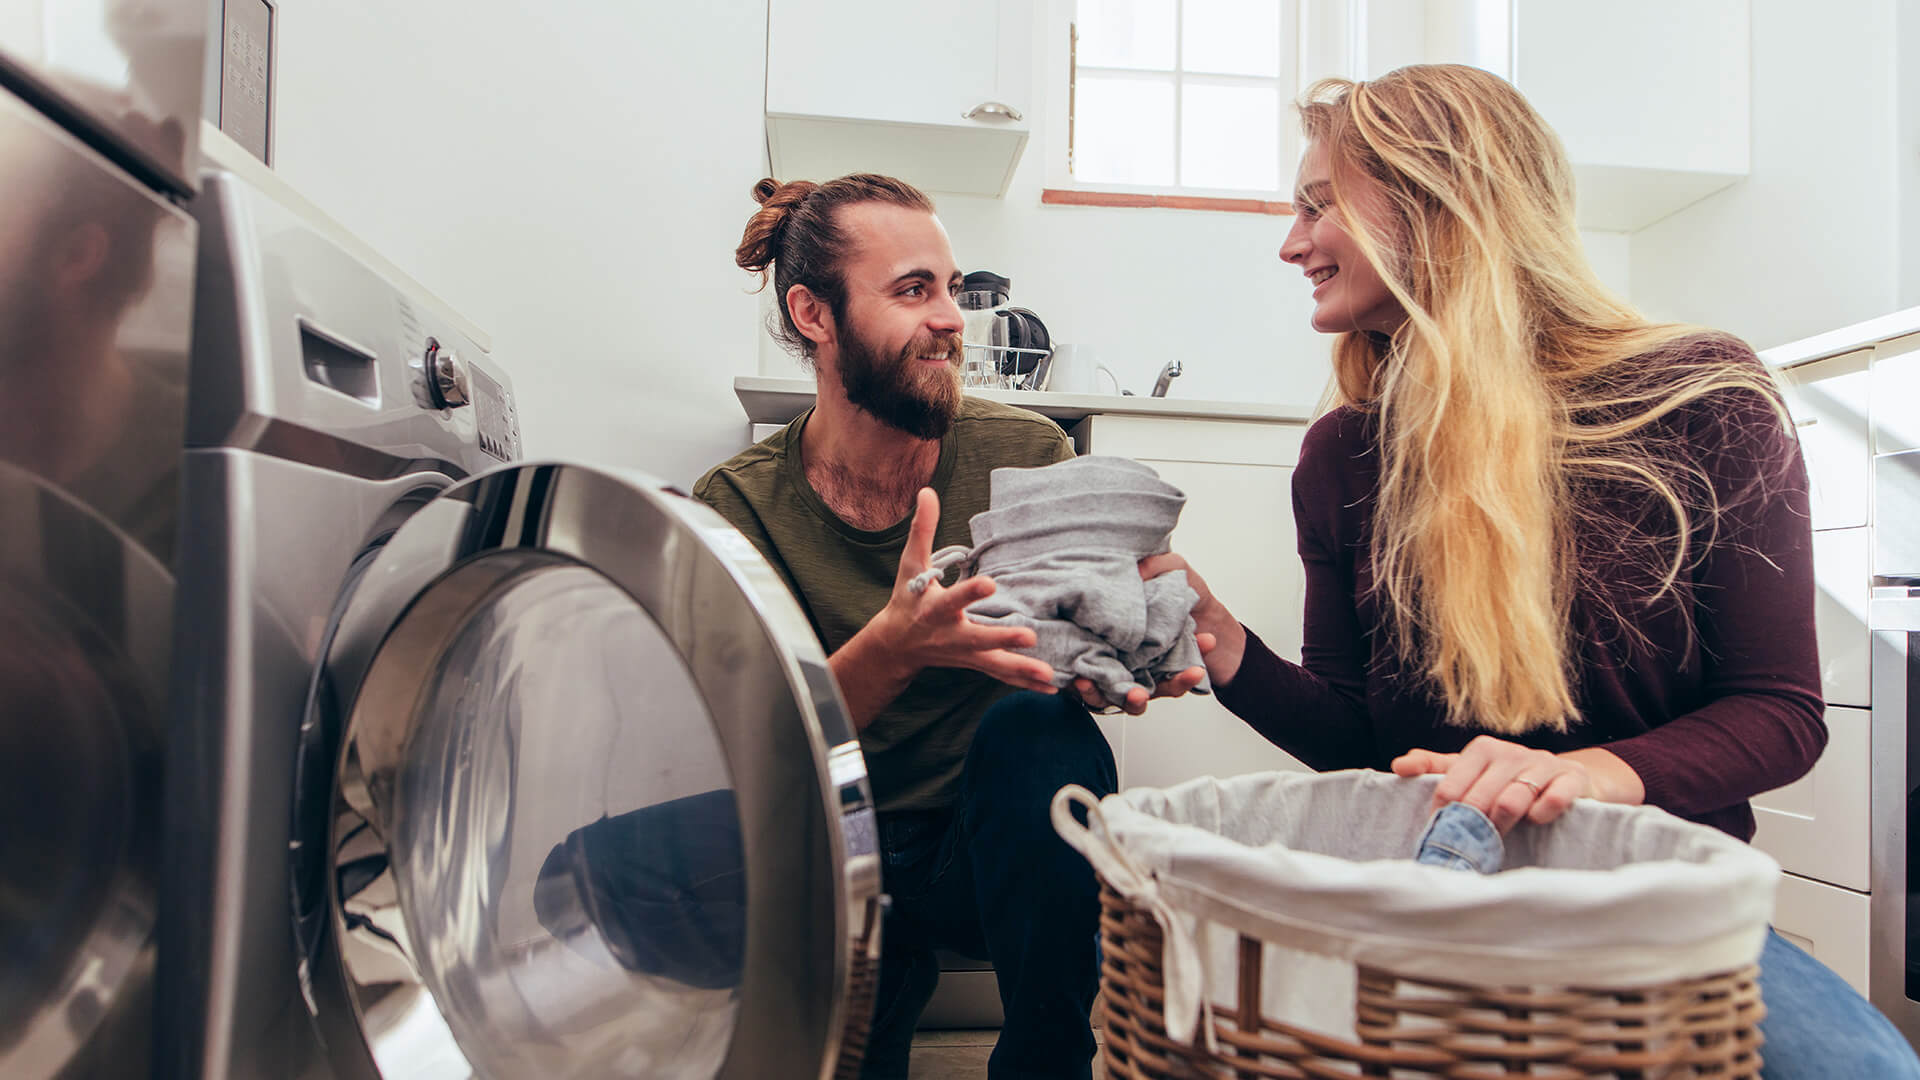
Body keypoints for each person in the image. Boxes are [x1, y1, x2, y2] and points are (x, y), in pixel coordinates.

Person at [1118, 65, 1920, 1077]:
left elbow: (1778, 710)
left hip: (1652, 908)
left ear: (1437, 198)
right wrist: (1224, 645)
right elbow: (1359, 740)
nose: (1292, 244)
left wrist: (1581, 776)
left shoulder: (1704, 398)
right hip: (1433, 892)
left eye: (1318, 206)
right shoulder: (1343, 458)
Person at [694, 173, 1206, 1080]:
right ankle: (877, 984)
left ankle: (1047, 1057)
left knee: (1038, 729)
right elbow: (751, 751)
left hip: (985, 854)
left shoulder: (1026, 457)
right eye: (912, 290)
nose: (952, 318)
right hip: (837, 861)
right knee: (609, 862)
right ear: (815, 315)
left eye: (950, 288)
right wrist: (895, 649)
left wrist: (1109, 660)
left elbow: (1081, 637)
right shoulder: (738, 508)